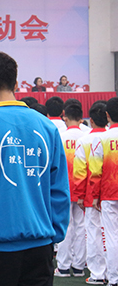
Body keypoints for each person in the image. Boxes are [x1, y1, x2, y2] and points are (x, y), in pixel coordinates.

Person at [0, 51, 70, 286]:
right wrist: (53, 234)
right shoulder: (47, 127)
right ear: (15, 83)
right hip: (40, 247)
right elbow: (59, 190)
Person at [73, 101, 107, 285]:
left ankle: (98, 273)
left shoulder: (84, 140)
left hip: (91, 194)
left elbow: (79, 171)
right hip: (110, 191)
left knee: (93, 234)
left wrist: (79, 194)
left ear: (91, 120)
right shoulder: (109, 137)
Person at [54, 104, 87, 278]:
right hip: (83, 188)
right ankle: (79, 266)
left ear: (64, 117)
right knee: (81, 227)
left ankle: (64, 266)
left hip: (64, 187)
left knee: (66, 226)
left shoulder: (60, 136)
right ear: (81, 118)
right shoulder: (87, 136)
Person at [90, 97, 118, 286]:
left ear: (107, 115)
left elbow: (95, 171)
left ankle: (114, 278)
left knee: (112, 236)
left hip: (109, 193)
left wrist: (94, 196)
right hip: (108, 194)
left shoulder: (102, 139)